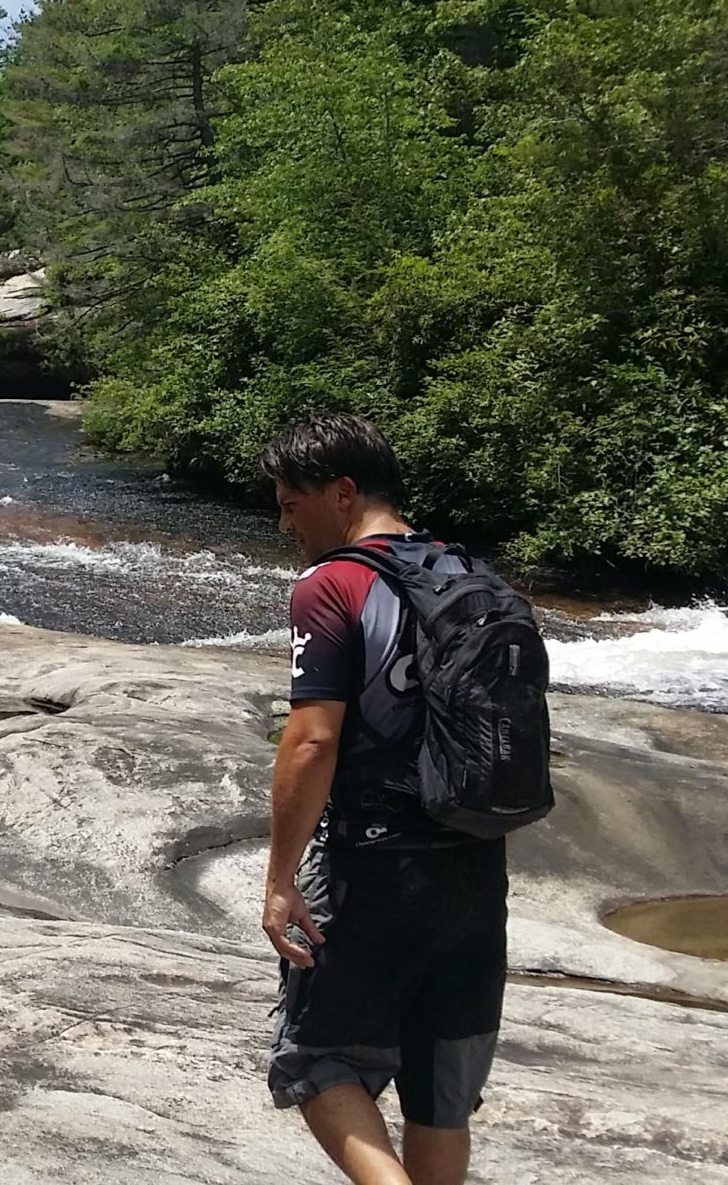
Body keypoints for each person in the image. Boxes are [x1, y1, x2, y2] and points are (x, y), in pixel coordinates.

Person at [259, 414, 507, 1185]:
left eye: (291, 502)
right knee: (439, 1095)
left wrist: (279, 879)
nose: (284, 521)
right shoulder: (475, 579)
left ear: (341, 493)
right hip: (475, 869)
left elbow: (312, 741)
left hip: (376, 864)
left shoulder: (334, 585)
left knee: (316, 1060)